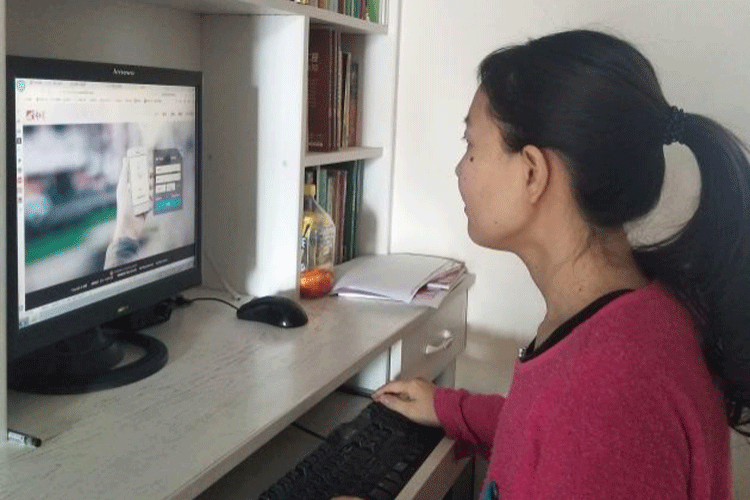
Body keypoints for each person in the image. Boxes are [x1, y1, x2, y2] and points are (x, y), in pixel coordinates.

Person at [337, 29, 750, 500]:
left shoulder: (612, 394)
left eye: (471, 146)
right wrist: (452, 409)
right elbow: (550, 434)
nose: (460, 169)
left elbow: (585, 436)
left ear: (532, 172)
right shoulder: (634, 314)